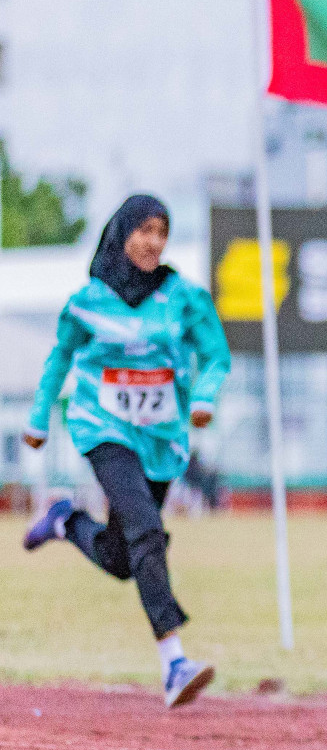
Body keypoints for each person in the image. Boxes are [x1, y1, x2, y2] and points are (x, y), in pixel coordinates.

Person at [22, 195, 231, 709]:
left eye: (162, 230)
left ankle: (67, 522)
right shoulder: (86, 302)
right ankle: (175, 662)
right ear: (120, 234)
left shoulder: (184, 296)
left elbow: (216, 355)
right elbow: (59, 359)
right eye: (142, 229)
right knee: (146, 531)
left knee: (123, 558)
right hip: (102, 427)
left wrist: (203, 398)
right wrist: (36, 419)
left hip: (161, 440)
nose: (153, 241)